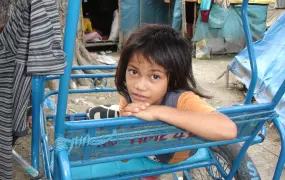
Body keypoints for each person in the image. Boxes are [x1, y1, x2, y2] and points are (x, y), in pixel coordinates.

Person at [115, 25, 237, 180]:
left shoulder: (181, 99)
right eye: (133, 71)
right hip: (148, 152)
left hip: (174, 154)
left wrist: (159, 111)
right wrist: (126, 120)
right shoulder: (128, 95)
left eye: (155, 76)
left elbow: (228, 129)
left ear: (172, 79)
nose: (139, 86)